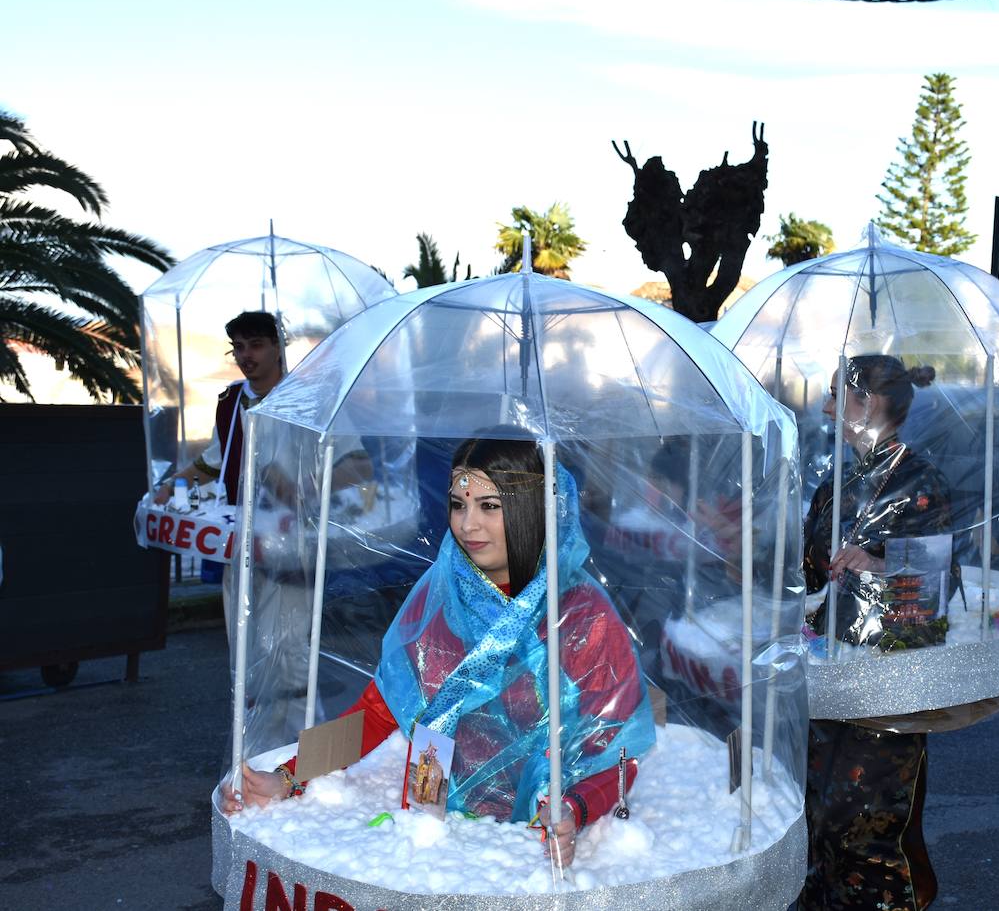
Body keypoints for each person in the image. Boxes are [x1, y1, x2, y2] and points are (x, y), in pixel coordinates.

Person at [221, 436, 657, 869]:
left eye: (489, 506)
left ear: (531, 507)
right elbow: (376, 713)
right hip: (438, 832)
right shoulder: (443, 593)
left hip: (534, 848)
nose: (467, 525)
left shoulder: (579, 614)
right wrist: (288, 776)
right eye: (458, 504)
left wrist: (574, 809)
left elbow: (618, 749)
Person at [799, 354, 953, 911]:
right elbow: (808, 573)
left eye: (837, 394)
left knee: (866, 820)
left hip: (889, 678)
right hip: (826, 672)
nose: (825, 407)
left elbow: (938, 585)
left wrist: (880, 564)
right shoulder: (835, 482)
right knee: (816, 813)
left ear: (871, 404)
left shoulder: (919, 482)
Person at [154, 311, 285, 507]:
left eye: (256, 345)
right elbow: (215, 461)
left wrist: (308, 489)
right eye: (239, 347)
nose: (246, 355)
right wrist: (171, 486)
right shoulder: (230, 400)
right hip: (240, 523)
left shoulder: (303, 398)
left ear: (278, 347)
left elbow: (345, 461)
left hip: (298, 526)